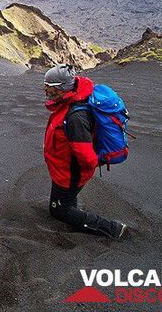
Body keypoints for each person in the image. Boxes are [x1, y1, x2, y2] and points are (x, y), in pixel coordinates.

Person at [43, 64, 128, 239]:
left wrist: (84, 168)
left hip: (70, 173)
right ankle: (74, 218)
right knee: (66, 202)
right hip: (63, 170)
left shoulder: (76, 118)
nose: (45, 89)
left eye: (49, 86)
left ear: (61, 88)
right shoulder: (70, 102)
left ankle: (113, 229)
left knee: (58, 210)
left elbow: (86, 157)